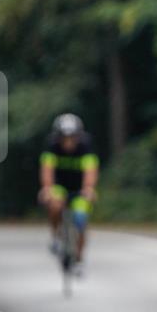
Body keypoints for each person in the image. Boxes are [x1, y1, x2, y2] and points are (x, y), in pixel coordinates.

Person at [39, 114, 99, 268]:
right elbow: (47, 170)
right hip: (59, 186)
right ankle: (55, 238)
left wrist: (89, 189)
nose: (68, 141)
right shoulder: (52, 147)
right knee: (55, 205)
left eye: (72, 137)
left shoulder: (85, 147)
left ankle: (79, 257)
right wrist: (47, 189)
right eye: (64, 137)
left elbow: (90, 170)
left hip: (80, 188)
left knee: (80, 219)